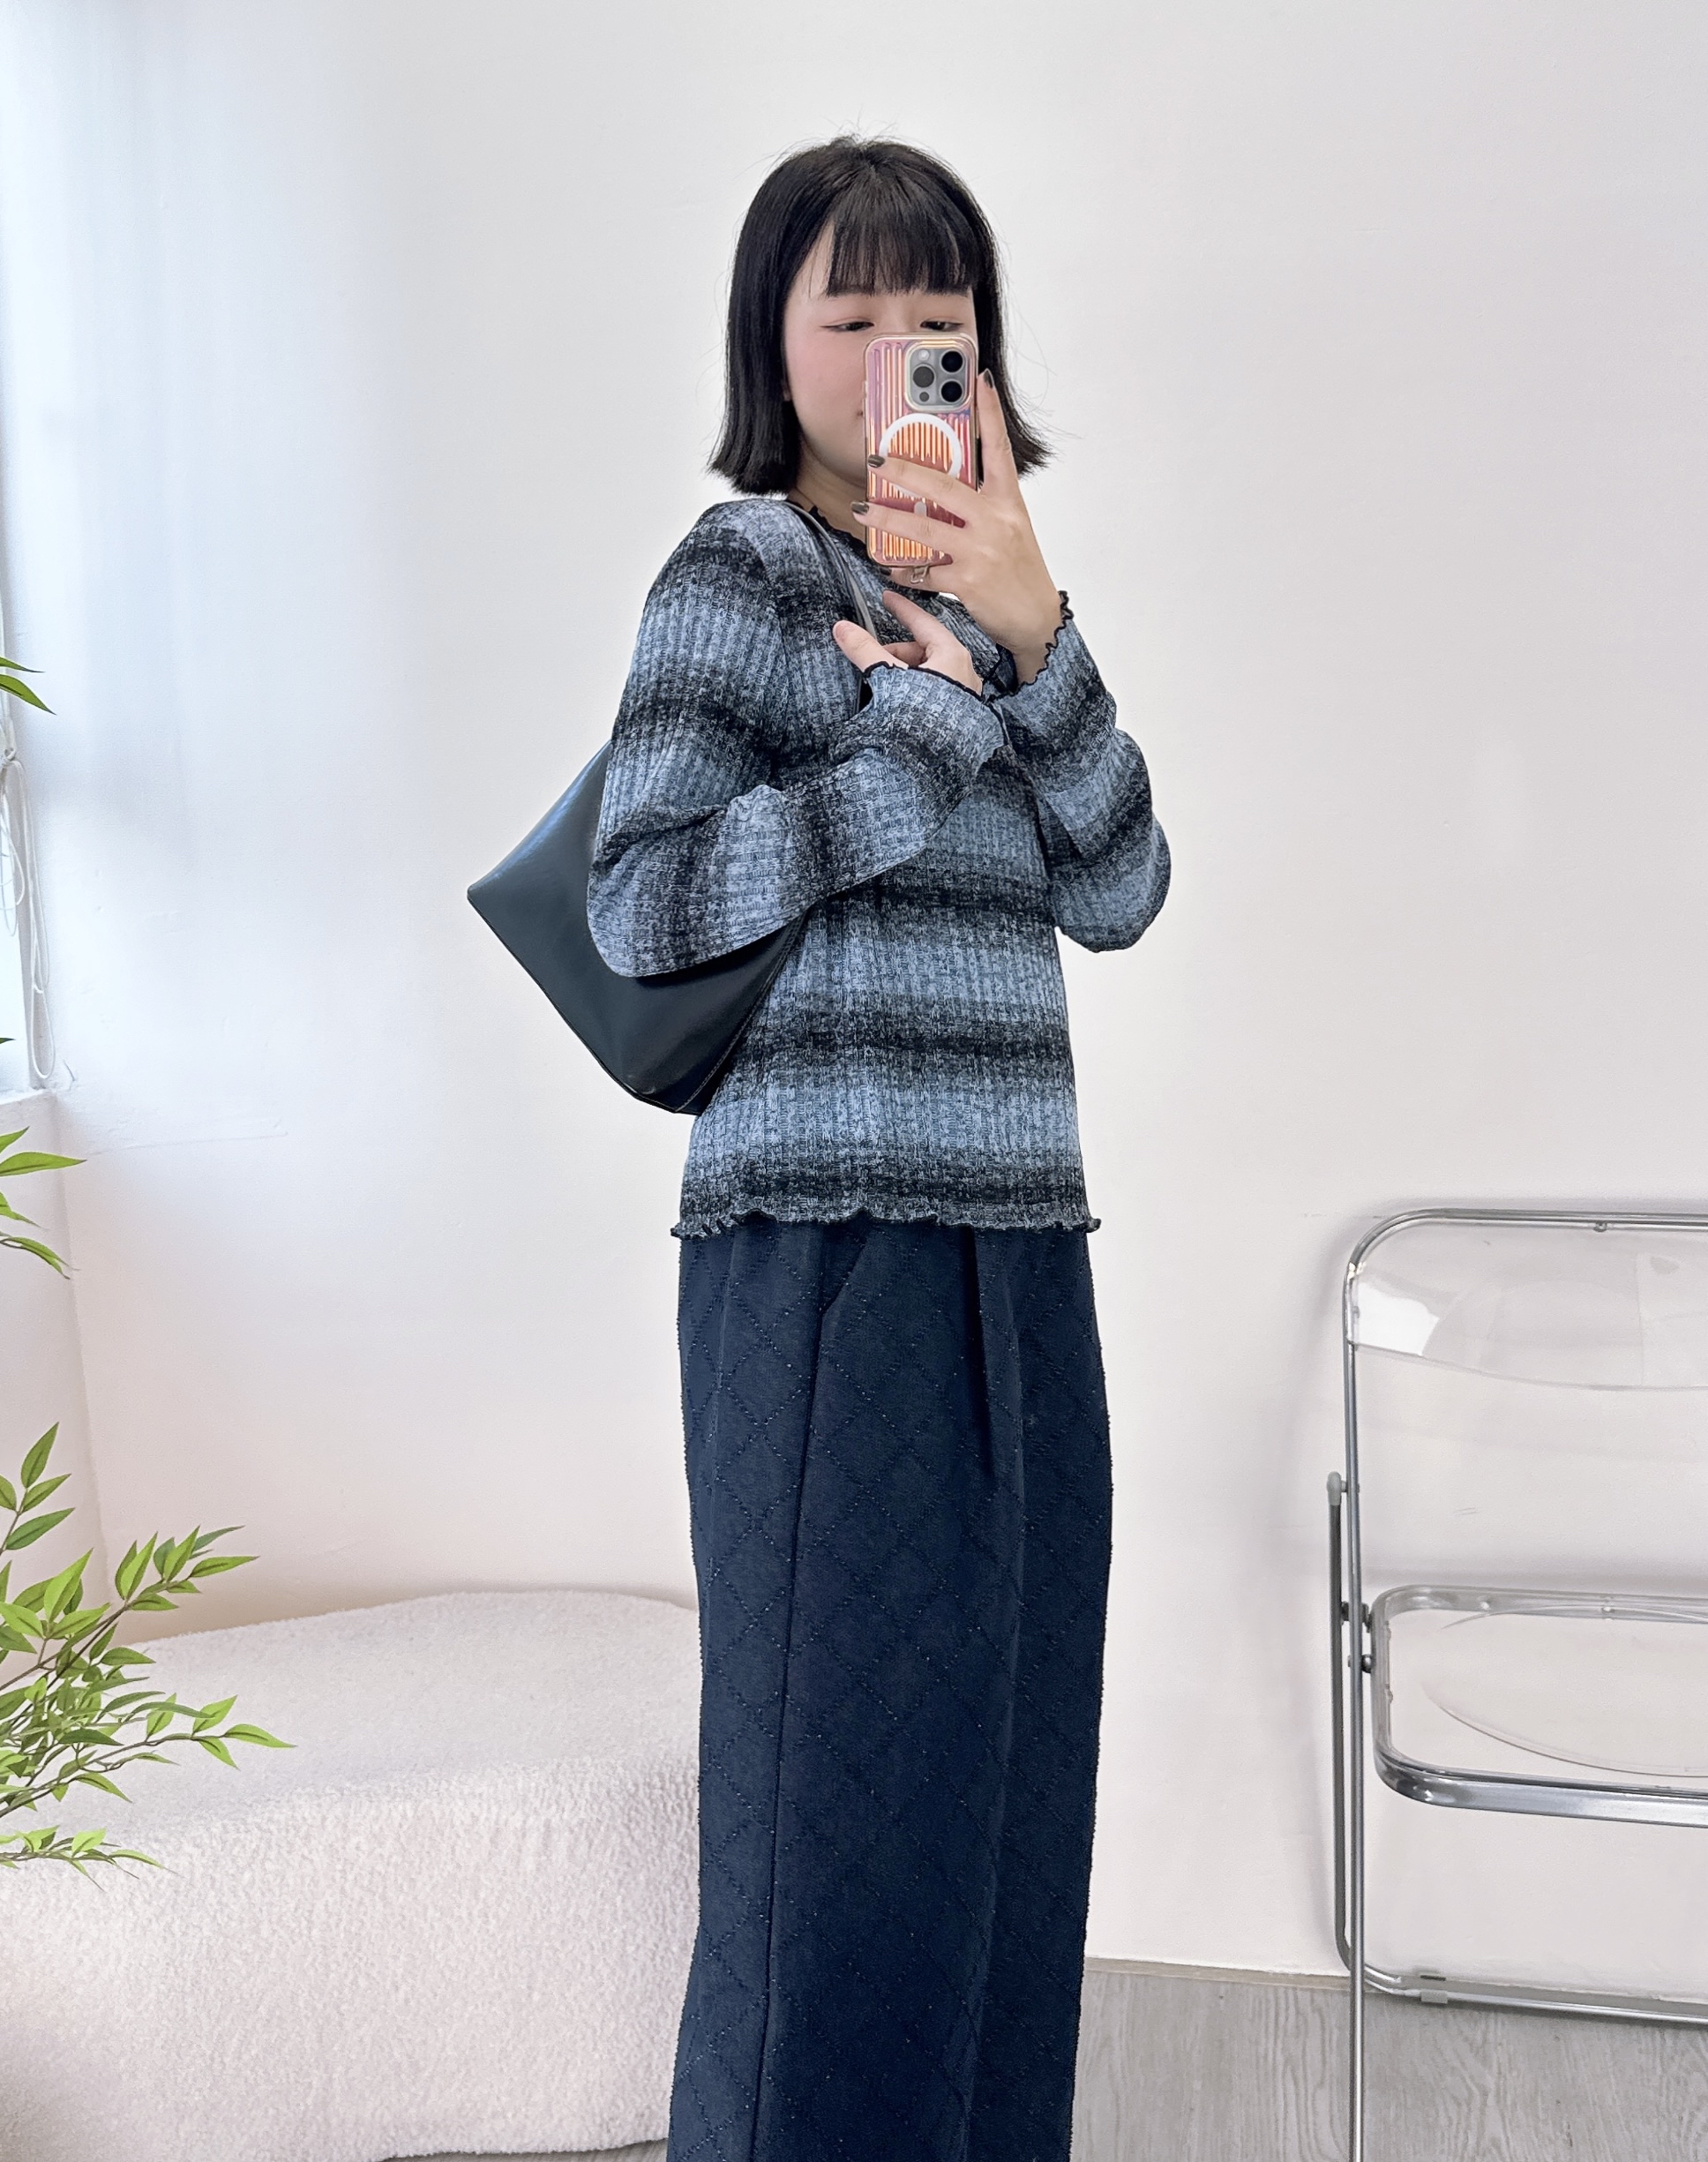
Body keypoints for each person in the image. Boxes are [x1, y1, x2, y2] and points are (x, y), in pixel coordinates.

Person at [588, 135, 1169, 2162]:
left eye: (939, 320)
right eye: (850, 314)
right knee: (824, 1856)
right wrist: (914, 736)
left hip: (1021, 1259)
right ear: (770, 344)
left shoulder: (1000, 596)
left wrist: (1033, 634)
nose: (895, 353)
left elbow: (1122, 889)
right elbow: (641, 908)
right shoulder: (740, 575)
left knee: (1004, 1819)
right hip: (825, 1263)